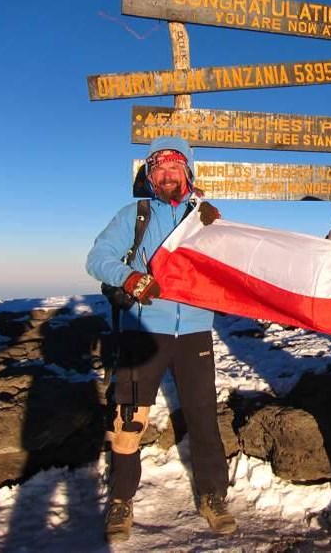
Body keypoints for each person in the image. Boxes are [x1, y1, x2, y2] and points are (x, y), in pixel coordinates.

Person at [85, 136, 233, 543]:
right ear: (150, 177)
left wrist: (221, 232)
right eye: (158, 169)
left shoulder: (204, 218)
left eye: (174, 167)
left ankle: (214, 495)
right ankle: (120, 500)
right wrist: (129, 278)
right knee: (128, 418)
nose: (166, 175)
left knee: (203, 415)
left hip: (196, 331)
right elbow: (97, 258)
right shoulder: (135, 215)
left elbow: (233, 263)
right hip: (144, 329)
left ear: (188, 172)